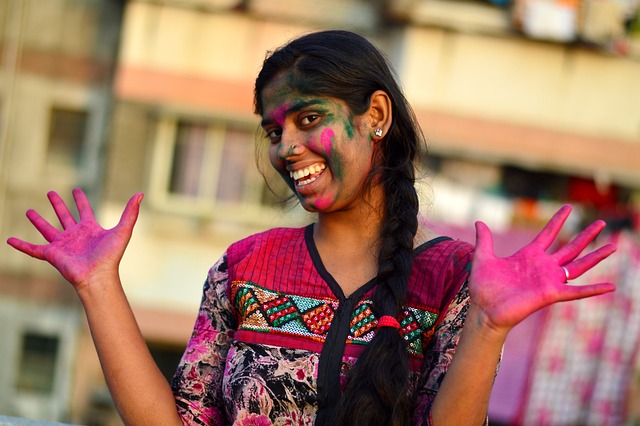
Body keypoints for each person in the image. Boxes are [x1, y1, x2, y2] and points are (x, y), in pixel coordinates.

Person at [6, 30, 616, 426]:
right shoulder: (245, 268)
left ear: (375, 116)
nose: (287, 147)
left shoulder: (453, 279)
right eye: (275, 132)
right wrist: (97, 287)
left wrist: (487, 325)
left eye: (309, 118)